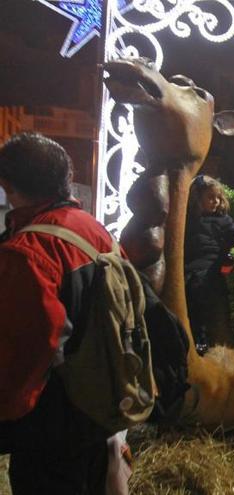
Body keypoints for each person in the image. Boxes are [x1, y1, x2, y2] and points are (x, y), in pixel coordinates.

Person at [0, 133, 123, 493]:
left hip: (51, 423)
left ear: (10, 186)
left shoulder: (28, 249)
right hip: (100, 407)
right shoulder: (93, 229)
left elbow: (31, 347)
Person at [184, 175, 234, 354]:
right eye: (210, 197)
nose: (215, 201)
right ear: (198, 199)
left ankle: (202, 336)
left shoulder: (222, 220)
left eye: (218, 198)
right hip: (190, 264)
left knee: (202, 287)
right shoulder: (189, 220)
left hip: (213, 265)